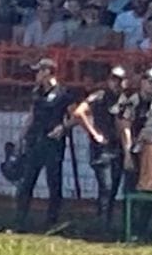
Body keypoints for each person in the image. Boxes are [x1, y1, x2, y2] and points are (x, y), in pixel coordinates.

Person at [12, 58, 77, 233]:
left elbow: (75, 116)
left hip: (53, 143)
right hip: (35, 141)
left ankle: (52, 221)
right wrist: (21, 136)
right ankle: (20, 222)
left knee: (53, 182)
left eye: (39, 71)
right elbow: (32, 115)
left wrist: (63, 128)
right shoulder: (37, 92)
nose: (36, 75)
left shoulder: (64, 93)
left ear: (48, 72)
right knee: (27, 182)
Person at [72, 66, 134, 229]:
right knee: (106, 186)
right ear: (109, 80)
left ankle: (106, 223)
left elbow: (125, 127)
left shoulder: (125, 101)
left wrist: (126, 151)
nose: (117, 83)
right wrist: (94, 133)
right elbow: (79, 113)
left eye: (120, 80)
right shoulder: (99, 96)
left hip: (117, 147)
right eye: (114, 79)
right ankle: (102, 223)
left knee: (113, 188)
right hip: (102, 149)